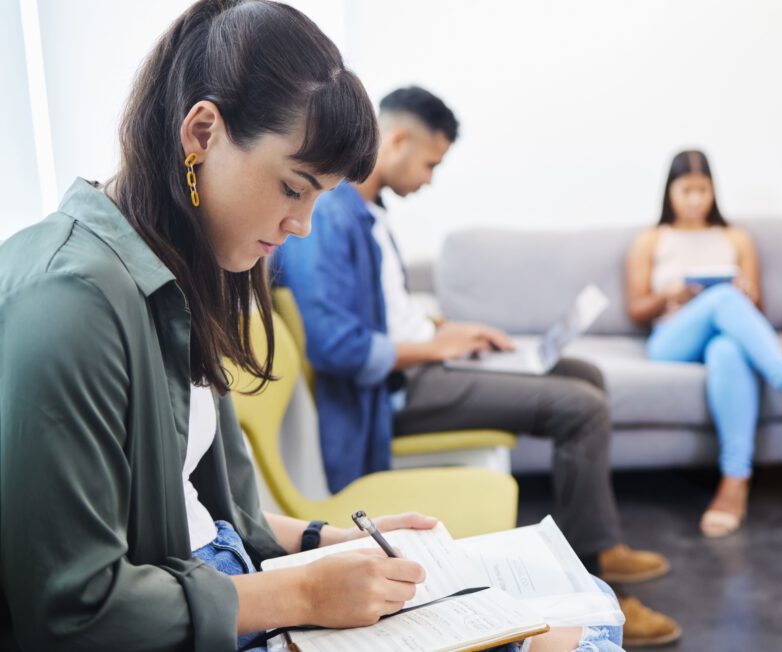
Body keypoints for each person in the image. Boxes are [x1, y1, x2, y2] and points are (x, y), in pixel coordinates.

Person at [0, 4, 590, 651]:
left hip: (229, 586)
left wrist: (333, 542)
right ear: (202, 132)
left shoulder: (181, 269)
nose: (302, 224)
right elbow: (72, 615)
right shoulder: (71, 301)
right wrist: (305, 592)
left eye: (318, 198)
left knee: (565, 626)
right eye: (292, 187)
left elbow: (208, 514)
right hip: (203, 615)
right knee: (568, 643)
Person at [273, 86, 682, 648]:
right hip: (396, 390)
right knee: (580, 408)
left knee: (583, 373)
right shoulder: (332, 218)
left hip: (420, 364)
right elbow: (337, 347)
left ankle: (599, 544)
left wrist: (446, 333)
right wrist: (432, 351)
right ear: (396, 141)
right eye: (430, 163)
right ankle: (595, 577)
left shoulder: (370, 212)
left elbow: (390, 315)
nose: (431, 179)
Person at [625, 150, 782, 539]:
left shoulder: (736, 238)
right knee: (722, 300)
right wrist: (675, 296)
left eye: (704, 190)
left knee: (728, 350)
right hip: (671, 338)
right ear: (670, 192)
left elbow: (756, 308)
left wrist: (744, 293)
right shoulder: (651, 240)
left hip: (723, 336)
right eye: (687, 190)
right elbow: (636, 309)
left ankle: (734, 485)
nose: (696, 199)